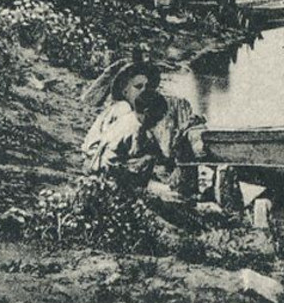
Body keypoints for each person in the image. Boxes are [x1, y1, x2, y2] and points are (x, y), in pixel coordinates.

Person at [82, 56, 204, 197]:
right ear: (124, 91)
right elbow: (111, 146)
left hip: (105, 162)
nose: (144, 91)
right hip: (101, 165)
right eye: (138, 87)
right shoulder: (123, 109)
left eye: (148, 87)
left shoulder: (131, 113)